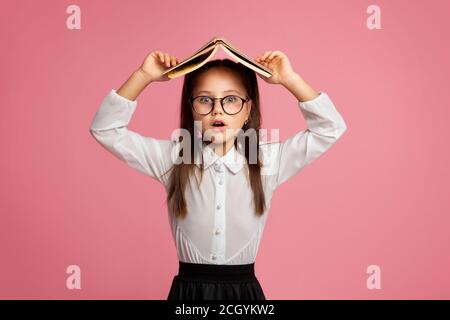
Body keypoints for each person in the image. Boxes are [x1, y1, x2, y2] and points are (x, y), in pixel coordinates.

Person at [89, 49, 347, 300]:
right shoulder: (175, 156)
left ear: (248, 111)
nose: (217, 110)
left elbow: (329, 129)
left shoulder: (267, 160)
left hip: (244, 294)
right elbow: (106, 130)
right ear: (191, 108)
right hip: (188, 294)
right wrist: (143, 76)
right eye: (205, 99)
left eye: (231, 99)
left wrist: (290, 80)